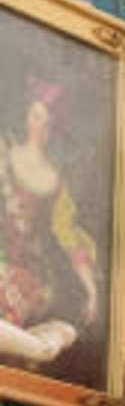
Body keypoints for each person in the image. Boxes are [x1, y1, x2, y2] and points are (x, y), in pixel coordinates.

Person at [0, 75, 105, 385]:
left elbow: (68, 236)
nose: (39, 126)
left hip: (31, 274)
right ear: (26, 117)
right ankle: (37, 346)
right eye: (35, 116)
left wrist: (91, 288)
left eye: (46, 121)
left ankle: (41, 345)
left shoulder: (56, 182)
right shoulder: (5, 157)